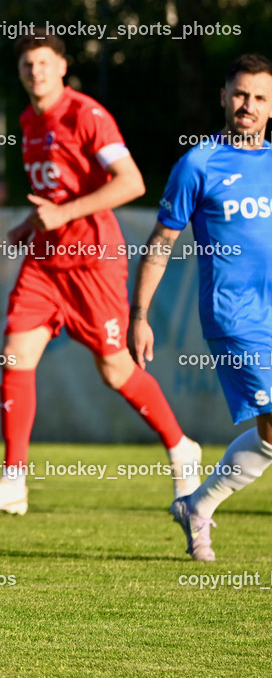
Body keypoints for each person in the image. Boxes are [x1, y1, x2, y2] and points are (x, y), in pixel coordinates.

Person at [0, 34, 201, 515]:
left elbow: (131, 183)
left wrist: (62, 213)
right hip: (46, 262)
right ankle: (14, 480)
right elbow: (52, 197)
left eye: (45, 63)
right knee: (15, 355)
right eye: (28, 64)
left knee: (115, 369)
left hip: (92, 260)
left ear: (63, 67)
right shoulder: (29, 121)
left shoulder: (86, 115)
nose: (36, 72)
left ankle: (181, 446)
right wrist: (29, 225)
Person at [129, 53, 272, 561]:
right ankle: (201, 506)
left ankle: (198, 506)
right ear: (223, 96)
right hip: (236, 317)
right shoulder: (199, 163)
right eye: (239, 94)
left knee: (271, 436)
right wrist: (140, 316)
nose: (247, 106)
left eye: (258, 98)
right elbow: (161, 242)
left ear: (271, 106)